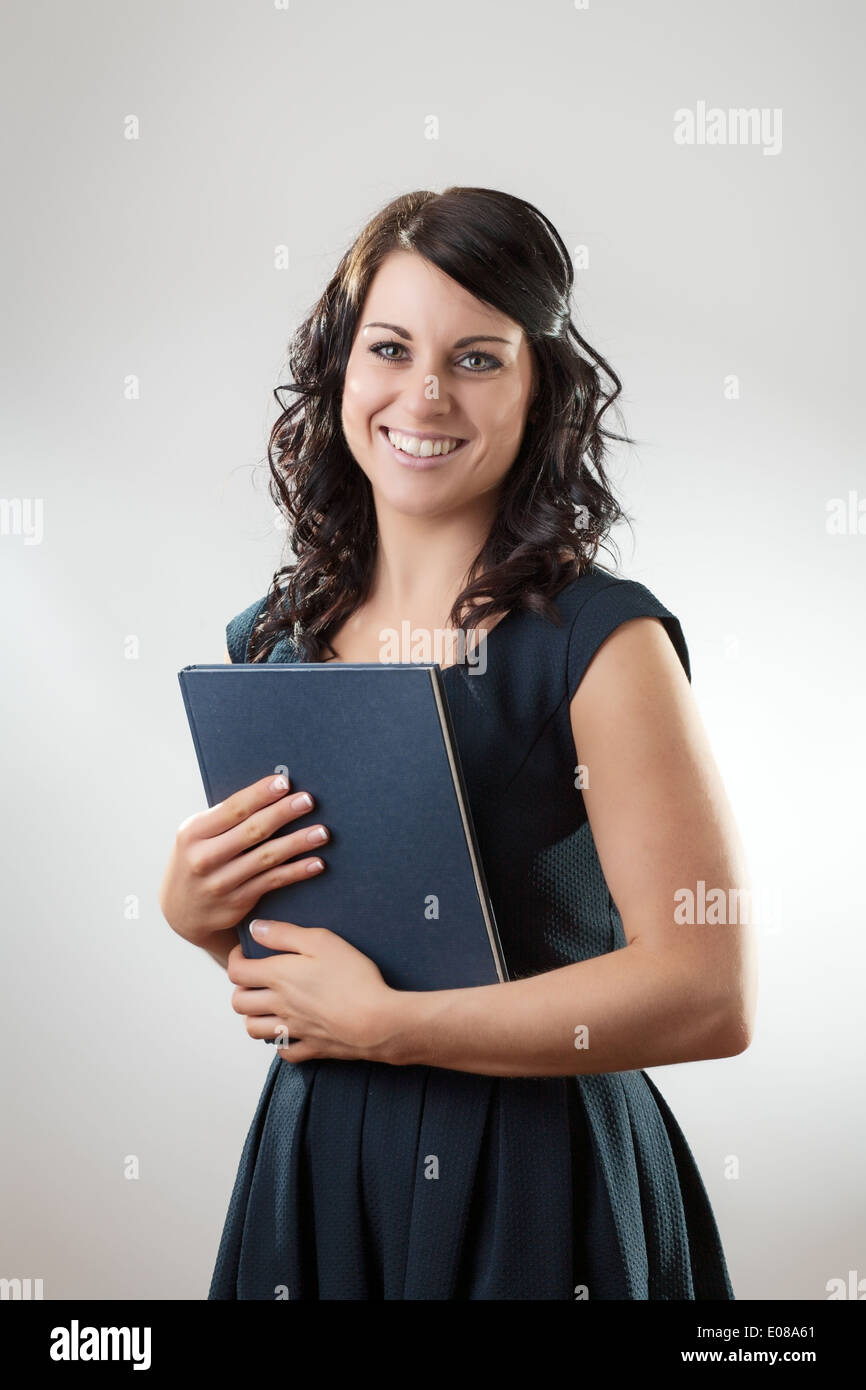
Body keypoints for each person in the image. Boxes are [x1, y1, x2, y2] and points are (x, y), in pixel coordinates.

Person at [159, 187, 757, 1300]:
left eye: (476, 358)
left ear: (538, 392)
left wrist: (395, 1028)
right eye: (389, 348)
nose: (423, 393)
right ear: (343, 370)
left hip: (537, 1179)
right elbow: (313, 971)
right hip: (321, 1166)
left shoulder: (600, 641)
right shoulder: (272, 641)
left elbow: (707, 991)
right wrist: (198, 920)